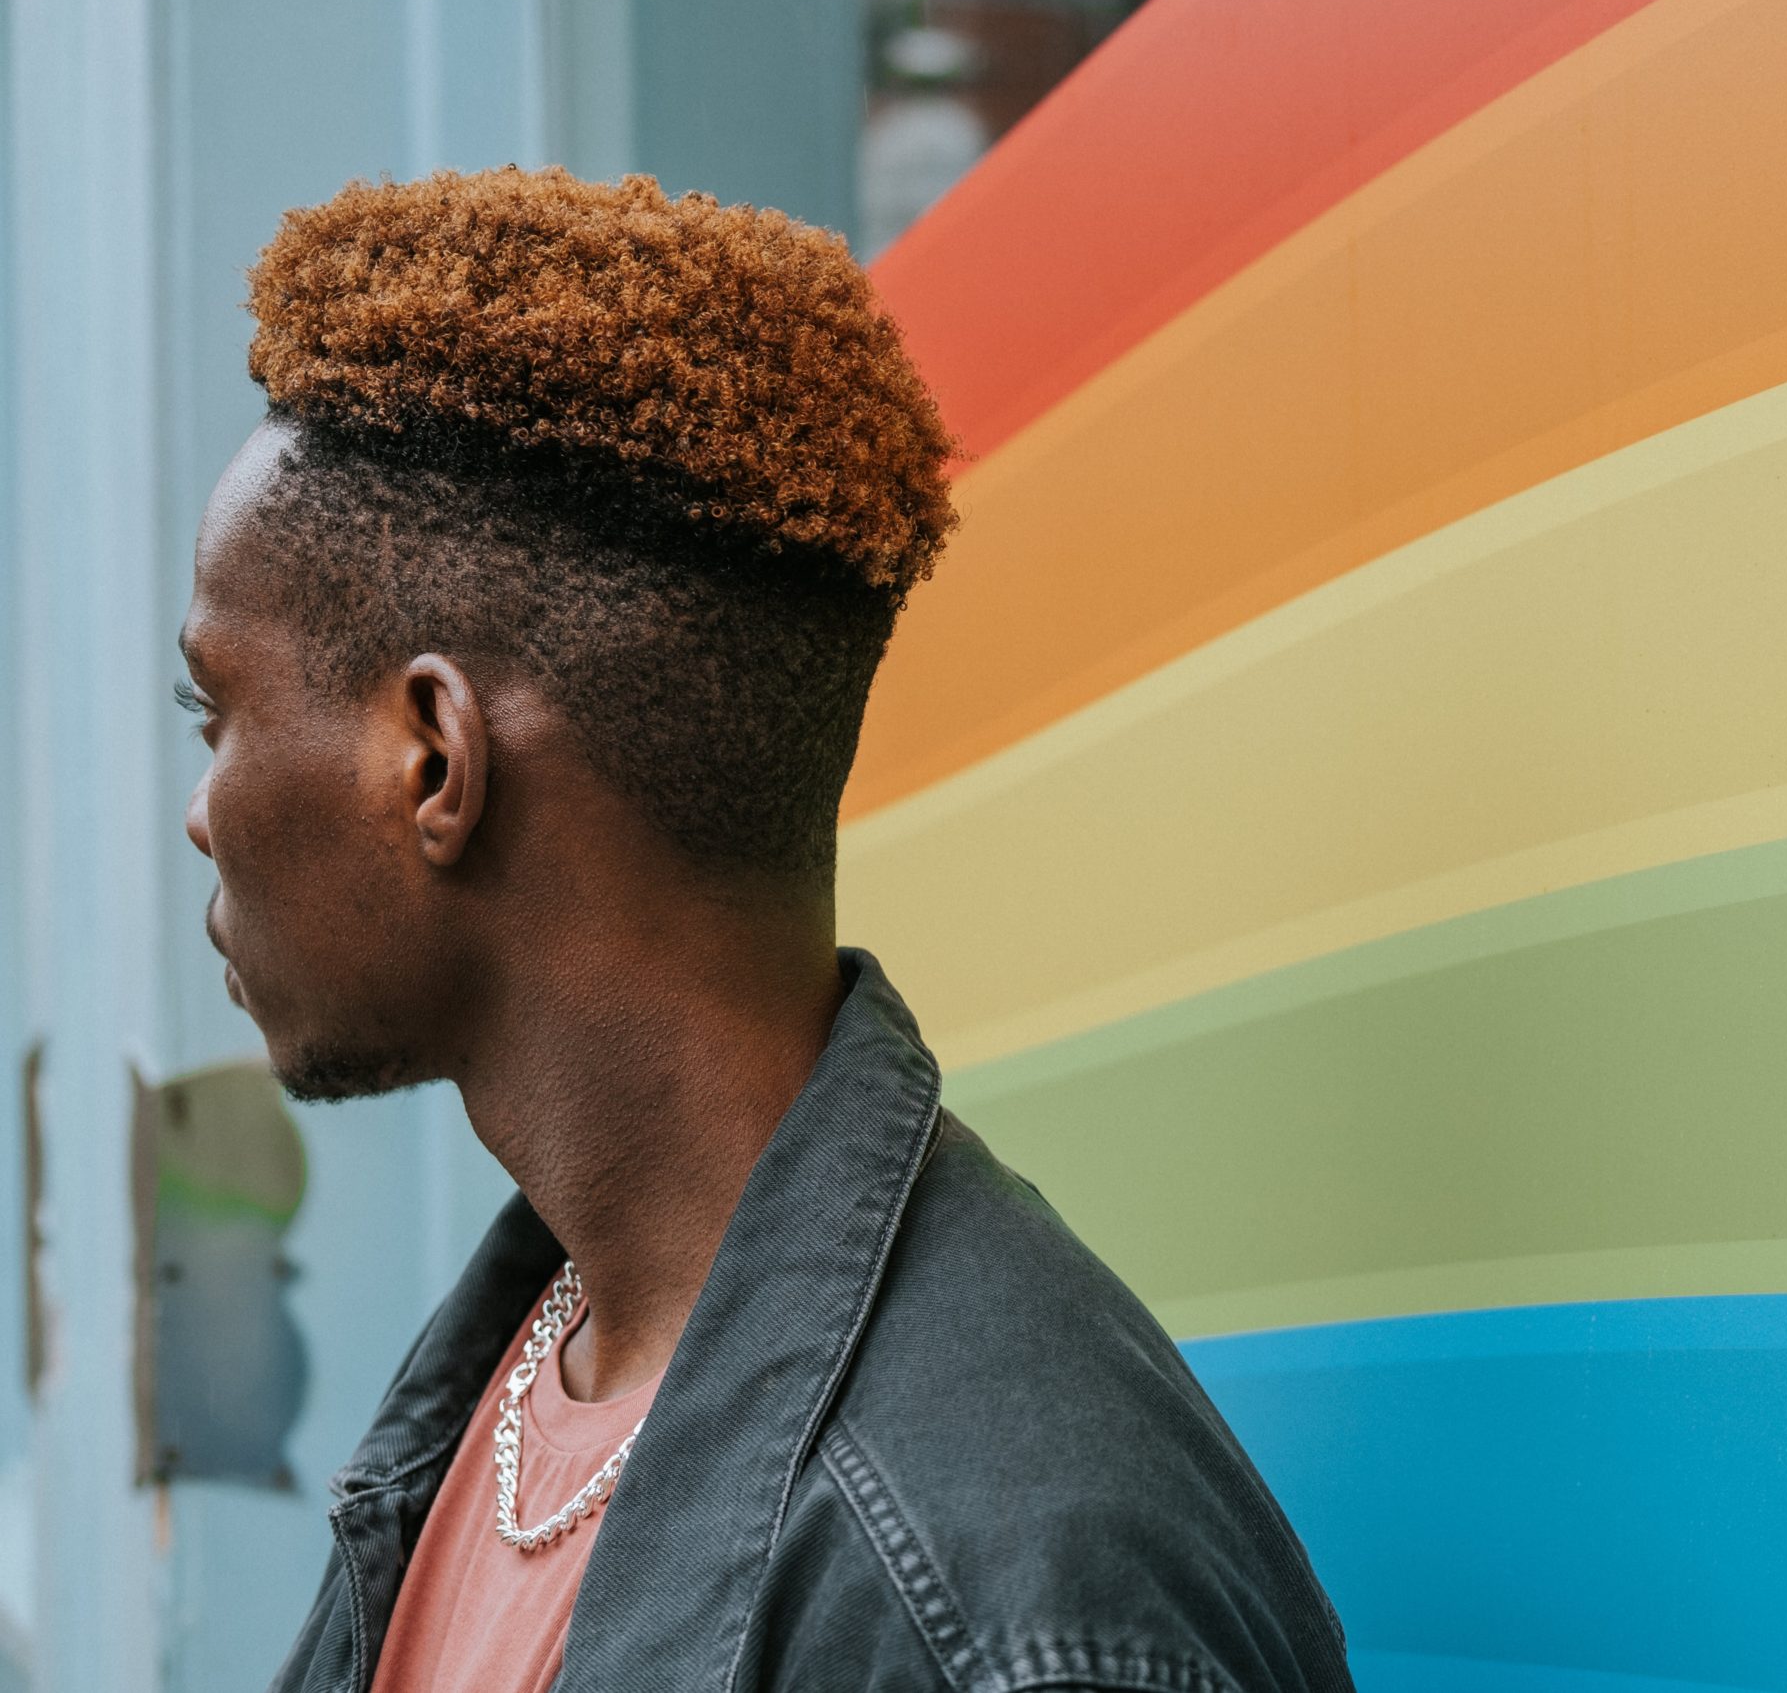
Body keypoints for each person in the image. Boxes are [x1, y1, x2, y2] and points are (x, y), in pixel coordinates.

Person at [179, 167, 1352, 1693]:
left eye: (216, 711)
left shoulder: (998, 1604)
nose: (203, 811)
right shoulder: (534, 1363)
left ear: (433, 762)